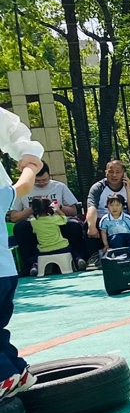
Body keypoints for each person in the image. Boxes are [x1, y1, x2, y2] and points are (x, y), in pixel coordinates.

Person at [0, 127, 41, 396]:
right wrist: (30, 164)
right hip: (6, 273)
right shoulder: (1, 193)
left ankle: (4, 376)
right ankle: (19, 370)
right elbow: (24, 186)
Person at [10, 164, 87, 274]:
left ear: (49, 176)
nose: (41, 183)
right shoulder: (22, 190)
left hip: (57, 222)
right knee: (20, 227)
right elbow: (14, 217)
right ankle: (31, 265)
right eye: (37, 181)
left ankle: (79, 258)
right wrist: (33, 209)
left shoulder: (59, 187)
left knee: (74, 225)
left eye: (44, 180)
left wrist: (58, 207)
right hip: (36, 224)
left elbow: (73, 211)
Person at [85, 160, 130, 264]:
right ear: (106, 173)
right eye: (111, 172)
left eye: (118, 172)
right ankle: (94, 256)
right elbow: (91, 208)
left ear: (123, 174)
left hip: (125, 220)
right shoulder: (98, 187)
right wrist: (91, 227)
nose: (114, 175)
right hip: (104, 220)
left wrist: (128, 189)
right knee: (88, 223)